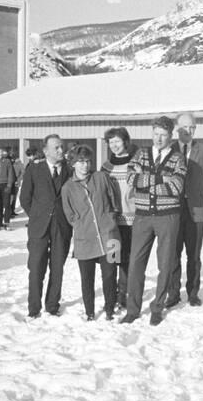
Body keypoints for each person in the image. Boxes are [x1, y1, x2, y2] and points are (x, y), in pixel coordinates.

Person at [124, 117, 186, 326]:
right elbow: (131, 179)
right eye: (156, 134)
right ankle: (132, 309)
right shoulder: (140, 154)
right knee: (135, 263)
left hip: (167, 217)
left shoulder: (178, 158)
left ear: (170, 136)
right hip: (142, 216)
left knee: (165, 263)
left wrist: (146, 180)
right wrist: (161, 179)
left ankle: (157, 308)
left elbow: (176, 187)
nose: (159, 139)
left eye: (164, 135)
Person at [62, 145, 121, 320]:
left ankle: (110, 309)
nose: (85, 165)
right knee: (87, 279)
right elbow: (69, 214)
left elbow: (113, 200)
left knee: (110, 275)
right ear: (73, 164)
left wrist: (110, 218)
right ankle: (89, 312)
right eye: (80, 162)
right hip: (84, 239)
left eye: (88, 161)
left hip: (110, 235)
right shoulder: (68, 188)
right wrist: (80, 225)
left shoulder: (101, 177)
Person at [20, 135, 72, 318]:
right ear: (45, 150)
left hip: (62, 227)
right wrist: (36, 216)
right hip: (38, 227)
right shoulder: (34, 169)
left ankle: (52, 306)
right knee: (36, 268)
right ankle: (34, 308)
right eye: (56, 148)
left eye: (61, 147)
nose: (61, 151)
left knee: (57, 268)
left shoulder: (70, 170)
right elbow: (25, 198)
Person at [168, 113, 203, 307]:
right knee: (173, 252)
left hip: (196, 209)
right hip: (173, 209)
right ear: (177, 128)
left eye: (193, 127)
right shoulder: (168, 150)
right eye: (185, 127)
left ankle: (193, 292)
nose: (189, 131)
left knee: (194, 254)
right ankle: (173, 294)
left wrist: (194, 193)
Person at [101, 130, 136, 314]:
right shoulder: (106, 167)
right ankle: (111, 296)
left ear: (125, 142)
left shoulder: (135, 164)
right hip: (112, 222)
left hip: (131, 221)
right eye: (111, 142)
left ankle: (123, 296)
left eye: (117, 141)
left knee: (127, 260)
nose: (114, 145)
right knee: (112, 259)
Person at [6, 144, 25, 224]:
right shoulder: (6, 160)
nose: (11, 153)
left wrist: (18, 179)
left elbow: (22, 171)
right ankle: (8, 212)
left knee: (14, 197)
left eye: (12, 152)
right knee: (9, 197)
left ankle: (12, 210)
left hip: (16, 181)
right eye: (9, 152)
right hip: (8, 181)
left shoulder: (18, 161)